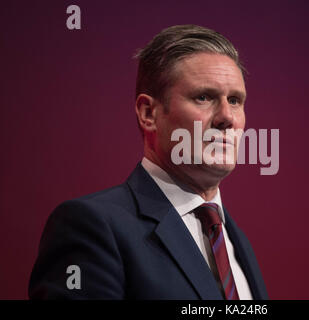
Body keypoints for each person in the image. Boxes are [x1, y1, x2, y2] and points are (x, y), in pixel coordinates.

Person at [28, 24, 268, 300]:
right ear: (148, 113)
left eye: (235, 100)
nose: (227, 117)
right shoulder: (92, 226)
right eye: (203, 97)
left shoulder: (234, 240)